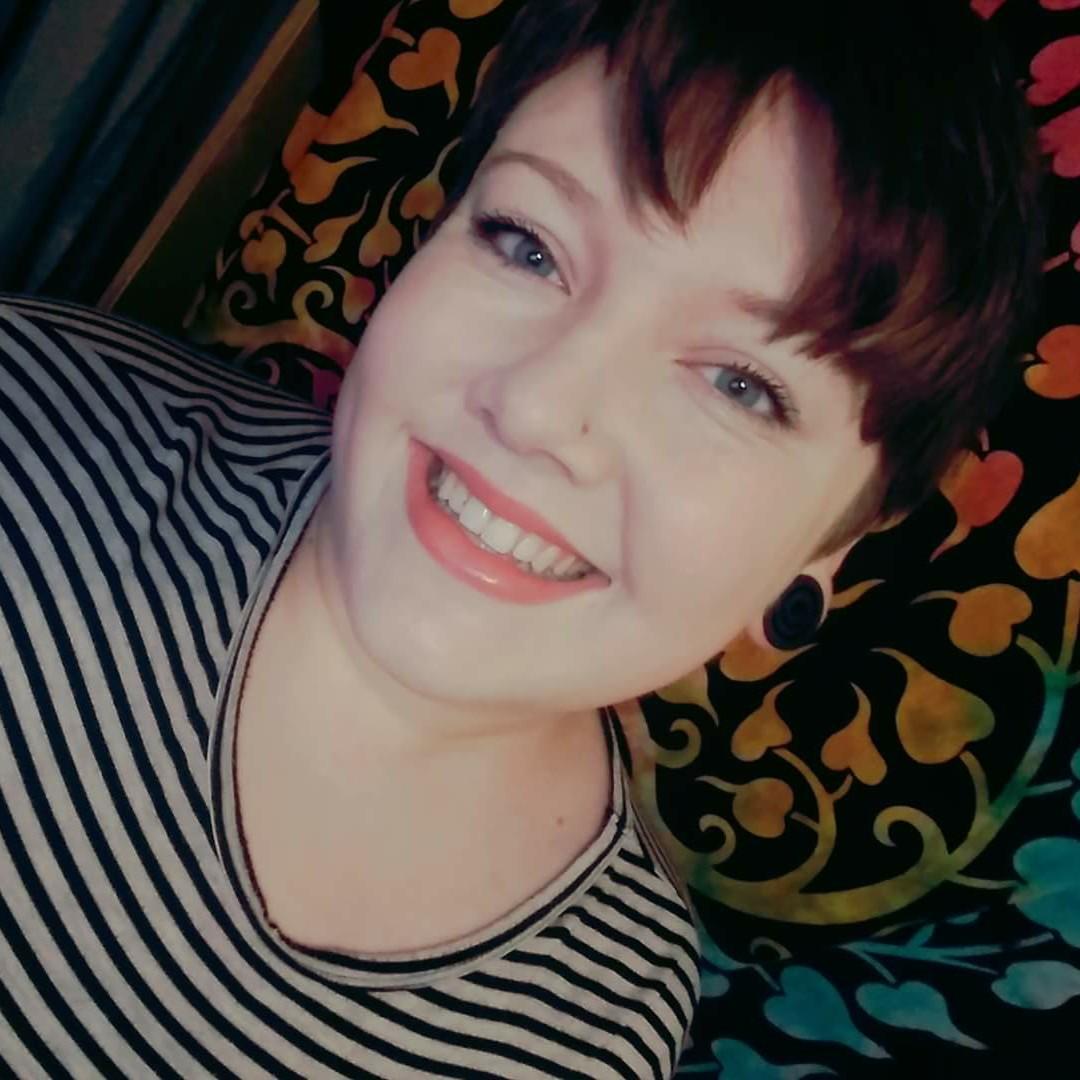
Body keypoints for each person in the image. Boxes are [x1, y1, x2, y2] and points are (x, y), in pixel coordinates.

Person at [0, 0, 1042, 1076]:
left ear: (830, 545)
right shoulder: (27, 440)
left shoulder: (596, 1025)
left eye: (740, 384)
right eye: (526, 245)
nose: (541, 407)